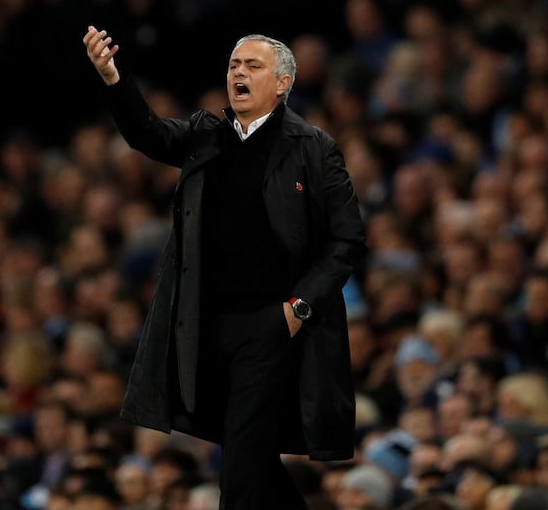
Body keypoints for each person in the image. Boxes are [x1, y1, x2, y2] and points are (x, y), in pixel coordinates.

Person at [82, 25, 367, 508]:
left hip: (270, 328)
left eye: (252, 66)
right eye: (234, 65)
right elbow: (147, 133)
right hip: (205, 327)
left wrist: (298, 308)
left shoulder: (313, 148)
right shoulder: (205, 135)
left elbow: (347, 238)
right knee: (248, 457)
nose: (239, 72)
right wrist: (113, 78)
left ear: (282, 84)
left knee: (238, 477)